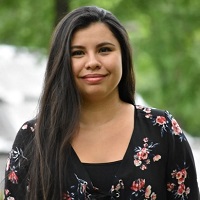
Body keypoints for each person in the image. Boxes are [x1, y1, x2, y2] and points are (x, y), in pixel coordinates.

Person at [4, 6, 199, 200]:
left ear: (124, 55)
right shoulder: (32, 139)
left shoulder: (161, 130)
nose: (92, 62)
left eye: (104, 50)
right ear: (60, 62)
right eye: (78, 53)